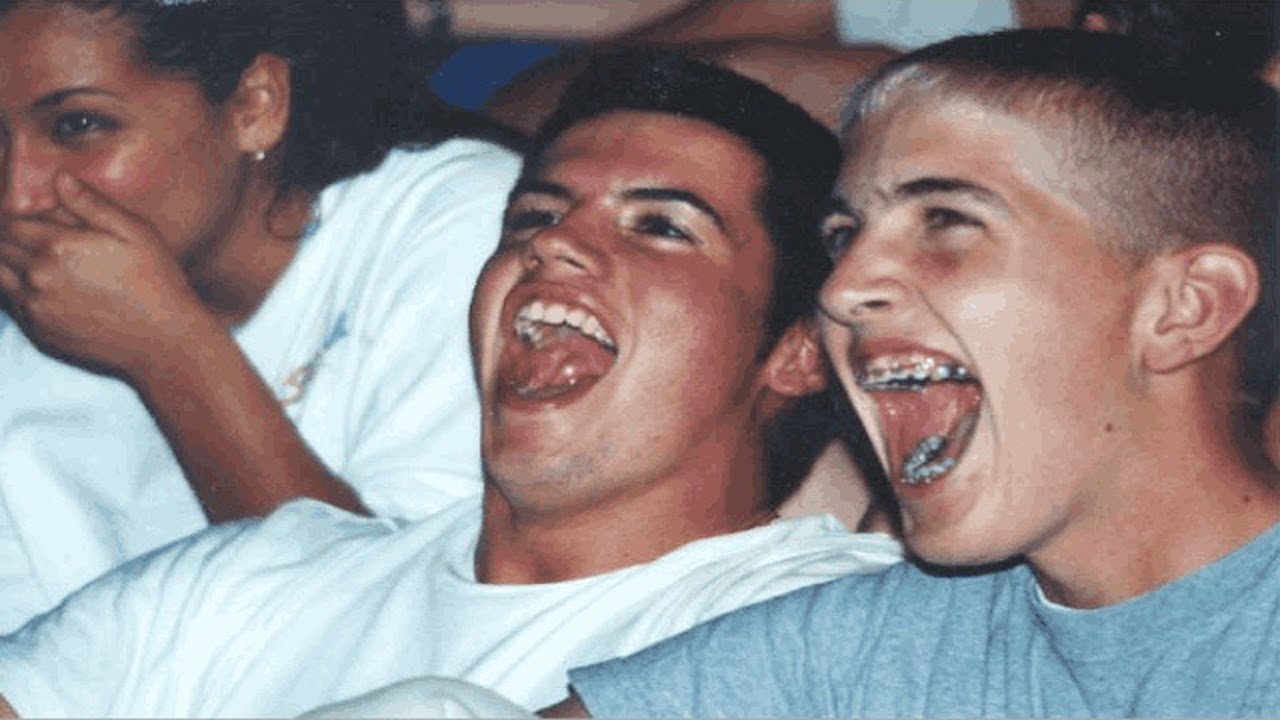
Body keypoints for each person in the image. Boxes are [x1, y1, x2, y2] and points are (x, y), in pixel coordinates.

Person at [0, 50, 902, 718]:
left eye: (660, 227)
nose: (552, 244)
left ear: (799, 350)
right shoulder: (249, 579)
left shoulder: (838, 627)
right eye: (534, 215)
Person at [550, 28, 1280, 717]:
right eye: (844, 236)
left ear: (1185, 308)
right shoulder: (862, 647)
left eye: (947, 221)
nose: (841, 290)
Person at [0, 0, 520, 634]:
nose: (18, 196)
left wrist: (171, 351)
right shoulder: (25, 335)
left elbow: (391, 629)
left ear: (255, 104)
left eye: (79, 125)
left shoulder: (459, 224)